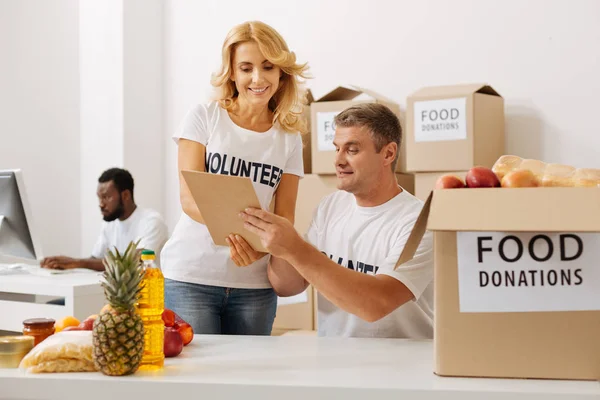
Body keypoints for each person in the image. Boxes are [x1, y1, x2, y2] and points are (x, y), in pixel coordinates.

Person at [160, 21, 309, 335]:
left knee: (250, 380)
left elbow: (285, 214)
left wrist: (261, 249)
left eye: (268, 67)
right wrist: (247, 238)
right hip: (191, 278)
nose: (257, 78)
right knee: (198, 379)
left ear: (281, 73)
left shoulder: (289, 139)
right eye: (246, 68)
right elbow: (189, 198)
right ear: (231, 73)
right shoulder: (204, 117)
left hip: (254, 285)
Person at [240, 103, 434, 338]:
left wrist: (295, 248)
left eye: (352, 150)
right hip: (336, 363)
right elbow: (288, 286)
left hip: (401, 366)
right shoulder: (330, 207)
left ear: (388, 153)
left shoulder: (419, 223)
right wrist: (280, 245)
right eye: (337, 149)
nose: (338, 161)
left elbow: (377, 304)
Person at [41, 168, 168, 271]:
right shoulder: (109, 223)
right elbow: (96, 259)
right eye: (99, 198)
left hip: (147, 297)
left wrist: (76, 262)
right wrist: (66, 265)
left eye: (106, 197)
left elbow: (135, 261)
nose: (101, 204)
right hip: (110, 296)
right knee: (56, 303)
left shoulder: (152, 221)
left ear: (126, 195)